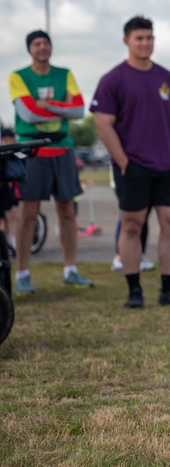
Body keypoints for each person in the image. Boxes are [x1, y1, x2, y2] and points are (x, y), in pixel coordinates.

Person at [91, 16, 170, 309]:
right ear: (127, 41)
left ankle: (168, 290)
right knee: (133, 225)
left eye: (149, 38)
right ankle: (134, 290)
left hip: (169, 166)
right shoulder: (113, 79)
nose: (145, 43)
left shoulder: (167, 77)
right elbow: (103, 124)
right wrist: (123, 161)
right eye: (139, 38)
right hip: (133, 166)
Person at [9, 30, 93, 293]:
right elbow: (28, 113)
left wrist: (46, 103)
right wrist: (61, 106)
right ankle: (22, 273)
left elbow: (79, 109)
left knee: (67, 210)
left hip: (62, 148)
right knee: (28, 213)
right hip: (33, 151)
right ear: (29, 49)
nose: (42, 47)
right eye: (36, 43)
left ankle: (71, 269)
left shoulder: (64, 74)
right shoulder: (18, 77)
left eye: (46, 43)